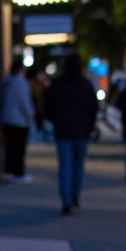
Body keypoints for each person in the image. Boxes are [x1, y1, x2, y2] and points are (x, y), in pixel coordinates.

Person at [43, 54, 97, 214]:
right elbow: (93, 108)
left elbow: (48, 106)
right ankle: (75, 195)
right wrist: (90, 126)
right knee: (78, 166)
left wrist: (55, 121)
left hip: (63, 131)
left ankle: (66, 200)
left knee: (65, 166)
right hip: (81, 132)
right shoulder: (86, 85)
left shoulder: (58, 84)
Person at [0, 59, 35, 183]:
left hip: (7, 119)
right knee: (19, 149)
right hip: (19, 121)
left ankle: (9, 171)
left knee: (10, 148)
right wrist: (31, 119)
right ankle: (18, 173)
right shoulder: (21, 84)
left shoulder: (7, 83)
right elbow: (25, 103)